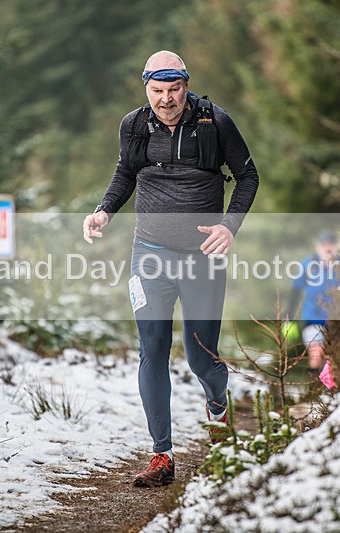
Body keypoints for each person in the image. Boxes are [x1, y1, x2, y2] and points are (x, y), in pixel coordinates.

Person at [82, 51, 259, 487]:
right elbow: (126, 171)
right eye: (157, 91)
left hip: (202, 259)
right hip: (149, 255)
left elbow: (248, 176)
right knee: (153, 350)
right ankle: (162, 454)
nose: (166, 100)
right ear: (146, 88)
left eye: (174, 90)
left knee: (202, 358)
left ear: (186, 85)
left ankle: (217, 406)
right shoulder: (134, 125)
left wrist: (229, 227)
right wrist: (104, 211)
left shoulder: (215, 122)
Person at [286, 229, 340, 387]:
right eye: (324, 245)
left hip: (338, 321)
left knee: (334, 359)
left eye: (331, 245)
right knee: (317, 353)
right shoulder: (309, 265)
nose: (328, 248)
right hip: (312, 319)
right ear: (317, 247)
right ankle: (314, 389)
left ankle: (331, 391)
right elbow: (295, 291)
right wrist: (288, 318)